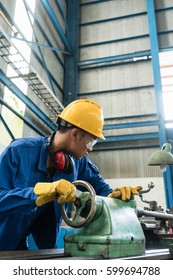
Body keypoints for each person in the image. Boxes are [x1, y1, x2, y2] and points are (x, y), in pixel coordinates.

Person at [0, 99, 142, 251]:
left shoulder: (77, 163)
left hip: (26, 244)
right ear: (75, 134)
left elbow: (102, 188)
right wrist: (35, 193)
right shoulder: (19, 152)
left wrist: (116, 197)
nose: (90, 149)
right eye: (91, 142)